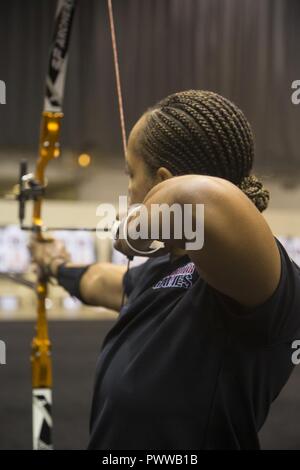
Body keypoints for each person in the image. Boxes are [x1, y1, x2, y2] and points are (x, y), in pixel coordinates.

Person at [31, 90, 300, 450]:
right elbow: (101, 282)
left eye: (131, 172)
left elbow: (201, 198)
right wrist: (55, 263)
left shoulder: (255, 274)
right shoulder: (159, 271)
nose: (128, 188)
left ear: (161, 179)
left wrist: (135, 225)